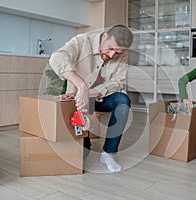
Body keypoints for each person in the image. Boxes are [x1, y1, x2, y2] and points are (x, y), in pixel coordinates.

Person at [48, 25, 134, 172]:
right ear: (105, 36)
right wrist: (81, 86)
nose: (113, 55)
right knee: (84, 153)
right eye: (110, 48)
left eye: (118, 52)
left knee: (123, 101)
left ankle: (108, 153)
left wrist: (88, 92)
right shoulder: (82, 41)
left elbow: (118, 82)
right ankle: (85, 145)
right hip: (79, 101)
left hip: (102, 98)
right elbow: (57, 58)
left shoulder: (122, 54)